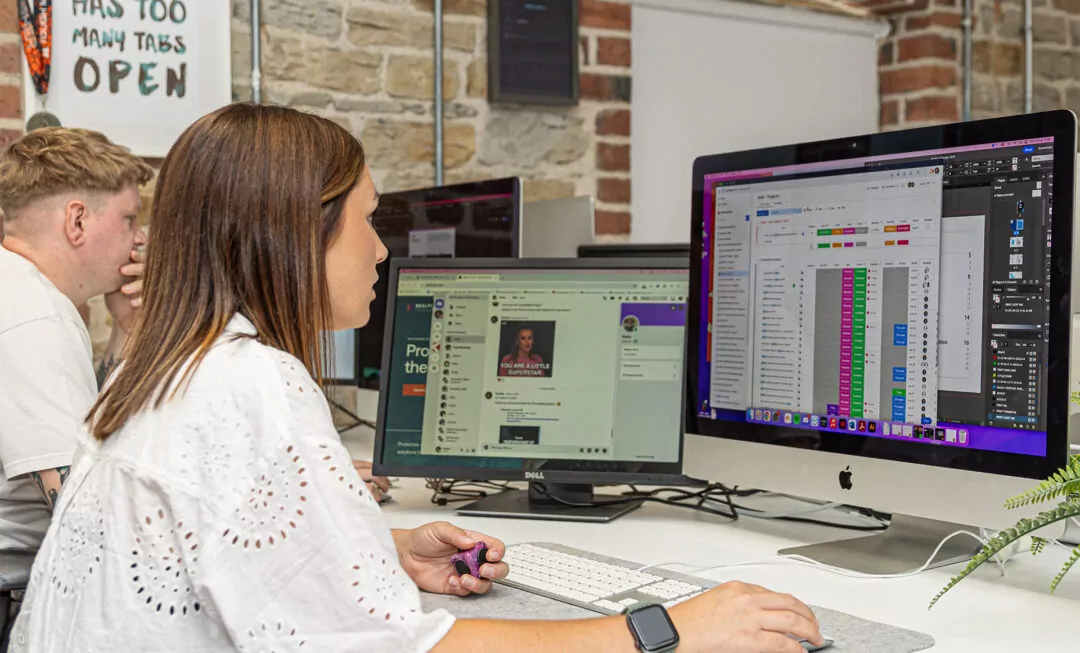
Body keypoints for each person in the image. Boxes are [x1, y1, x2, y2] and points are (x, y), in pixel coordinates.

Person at [11, 104, 823, 652]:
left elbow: (211, 556)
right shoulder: (251, 386)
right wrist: (671, 626)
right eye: (367, 221)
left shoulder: (161, 370)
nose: (383, 250)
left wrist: (379, 551)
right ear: (298, 234)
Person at [0, 127, 152, 552]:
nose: (140, 238)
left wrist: (127, 328)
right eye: (130, 219)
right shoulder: (34, 316)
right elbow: (85, 515)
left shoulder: (18, 291)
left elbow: (91, 436)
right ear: (77, 220)